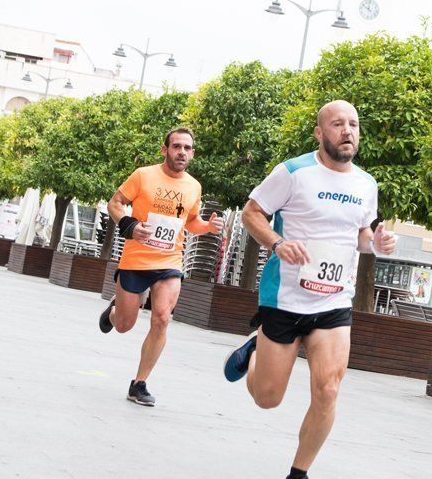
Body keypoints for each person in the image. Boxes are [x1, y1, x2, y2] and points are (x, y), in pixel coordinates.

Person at [222, 100, 396, 479]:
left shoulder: (366, 184)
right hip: (284, 298)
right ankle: (255, 348)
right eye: (337, 124)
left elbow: (363, 235)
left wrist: (376, 245)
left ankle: (298, 473)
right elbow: (253, 213)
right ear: (320, 132)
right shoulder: (293, 172)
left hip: (334, 300)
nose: (347, 131)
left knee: (328, 390)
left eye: (353, 124)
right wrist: (277, 243)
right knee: (267, 397)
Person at [97, 127, 223, 406]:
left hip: (169, 261)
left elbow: (191, 222)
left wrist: (208, 227)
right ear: (165, 150)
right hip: (136, 259)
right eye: (176, 146)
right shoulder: (143, 175)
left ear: (192, 153)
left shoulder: (193, 186)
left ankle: (139, 383)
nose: (182, 152)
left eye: (187, 148)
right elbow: (115, 203)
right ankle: (116, 312)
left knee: (162, 318)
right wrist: (130, 225)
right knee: (125, 326)